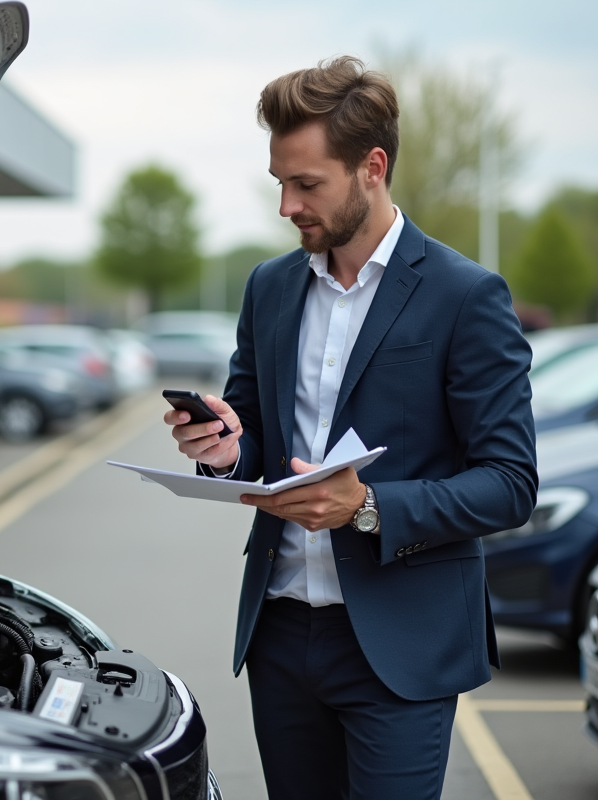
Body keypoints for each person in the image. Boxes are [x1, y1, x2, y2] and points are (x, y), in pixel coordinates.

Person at [165, 56, 537, 799]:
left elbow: (510, 484)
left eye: (307, 185)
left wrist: (366, 506)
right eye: (280, 182)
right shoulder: (269, 286)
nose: (287, 206)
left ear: (372, 167)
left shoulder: (466, 296)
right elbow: (261, 447)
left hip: (402, 647)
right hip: (279, 635)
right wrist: (225, 452)